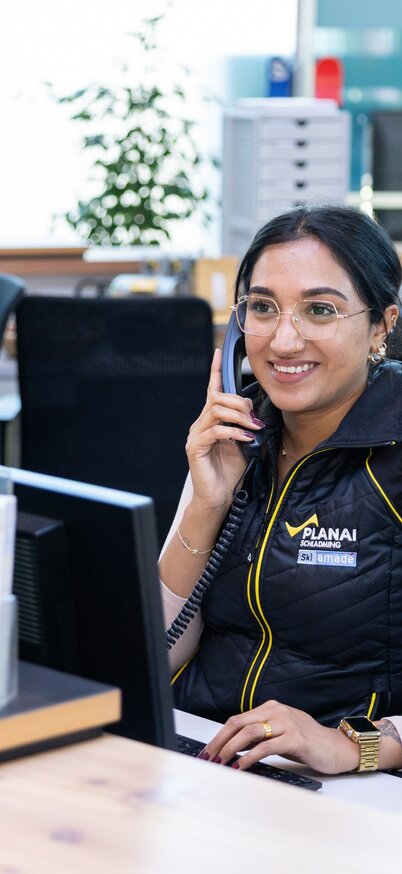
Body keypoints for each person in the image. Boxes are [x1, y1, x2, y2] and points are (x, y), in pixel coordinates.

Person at [159, 204, 402, 775]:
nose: (284, 340)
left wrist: (349, 745)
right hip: (200, 753)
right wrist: (207, 504)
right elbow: (149, 655)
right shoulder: (234, 438)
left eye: (320, 310)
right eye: (263, 307)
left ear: (382, 326)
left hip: (345, 790)